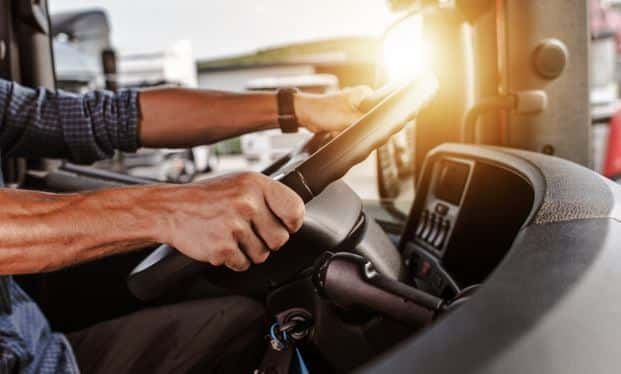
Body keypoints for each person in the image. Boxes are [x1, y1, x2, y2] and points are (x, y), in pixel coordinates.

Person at [0, 79, 371, 373]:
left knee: (243, 325)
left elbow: (102, 117)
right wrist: (169, 211)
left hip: (43, 352)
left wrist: (297, 108)